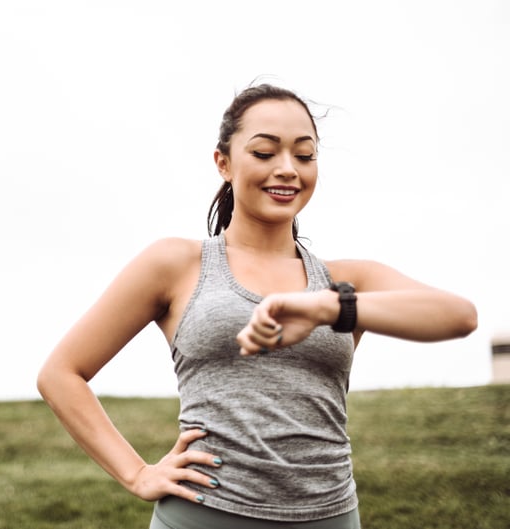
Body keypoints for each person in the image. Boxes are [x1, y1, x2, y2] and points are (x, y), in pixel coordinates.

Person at [36, 83, 478, 528]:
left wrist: (329, 308)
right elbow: (61, 373)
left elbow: (459, 316)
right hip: (204, 514)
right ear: (223, 163)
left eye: (304, 156)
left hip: (330, 516)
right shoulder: (176, 263)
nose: (287, 169)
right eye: (265, 153)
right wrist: (136, 473)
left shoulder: (344, 281)